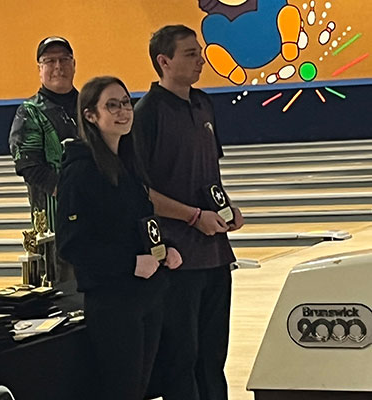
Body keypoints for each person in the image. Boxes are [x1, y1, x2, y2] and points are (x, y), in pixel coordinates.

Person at [131, 25, 244, 400]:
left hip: (214, 251)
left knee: (213, 355)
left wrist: (228, 208)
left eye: (199, 51)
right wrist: (193, 217)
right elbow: (140, 190)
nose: (201, 59)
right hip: (178, 255)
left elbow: (211, 171)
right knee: (182, 357)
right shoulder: (147, 113)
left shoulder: (203, 103)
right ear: (164, 61)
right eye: (190, 54)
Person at [55, 76, 182, 400]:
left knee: (142, 389)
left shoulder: (127, 163)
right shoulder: (80, 172)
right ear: (90, 115)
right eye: (112, 105)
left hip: (146, 295)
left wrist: (164, 250)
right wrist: (128, 263)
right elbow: (72, 244)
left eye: (126, 102)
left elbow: (136, 226)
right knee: (121, 391)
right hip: (113, 302)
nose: (124, 111)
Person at [9, 36, 78, 286]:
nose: (58, 66)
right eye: (49, 61)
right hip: (55, 230)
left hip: (97, 226)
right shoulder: (30, 112)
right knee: (64, 298)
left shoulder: (90, 106)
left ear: (74, 64)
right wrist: (70, 193)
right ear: (40, 69)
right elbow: (29, 166)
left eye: (63, 59)